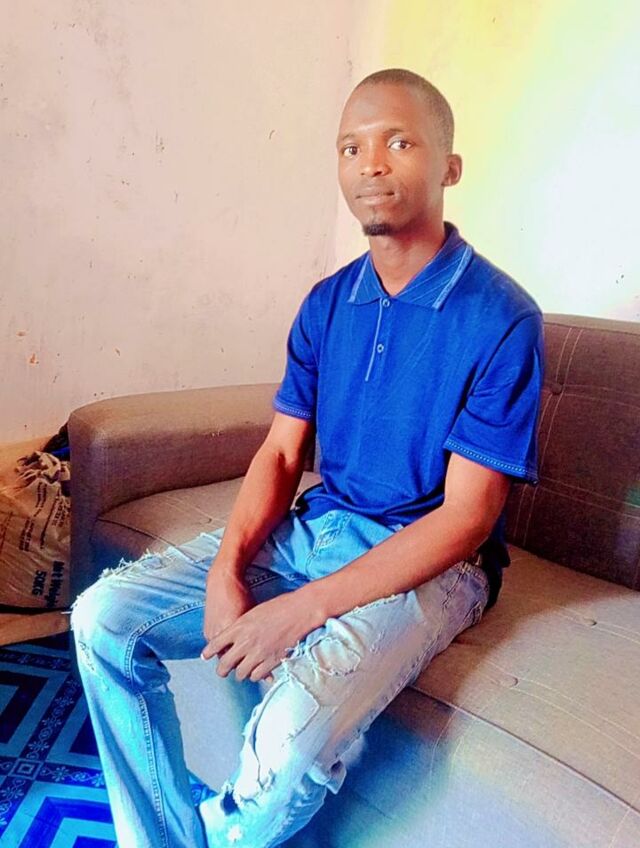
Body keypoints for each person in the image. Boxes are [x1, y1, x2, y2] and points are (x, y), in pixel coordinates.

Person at [70, 68, 544, 848]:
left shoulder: (502, 319)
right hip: (320, 529)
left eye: (398, 142)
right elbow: (282, 451)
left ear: (450, 166)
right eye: (351, 148)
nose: (371, 164)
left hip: (437, 567)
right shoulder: (327, 302)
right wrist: (227, 570)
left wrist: (301, 609)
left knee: (288, 740)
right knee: (102, 619)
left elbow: (466, 519)